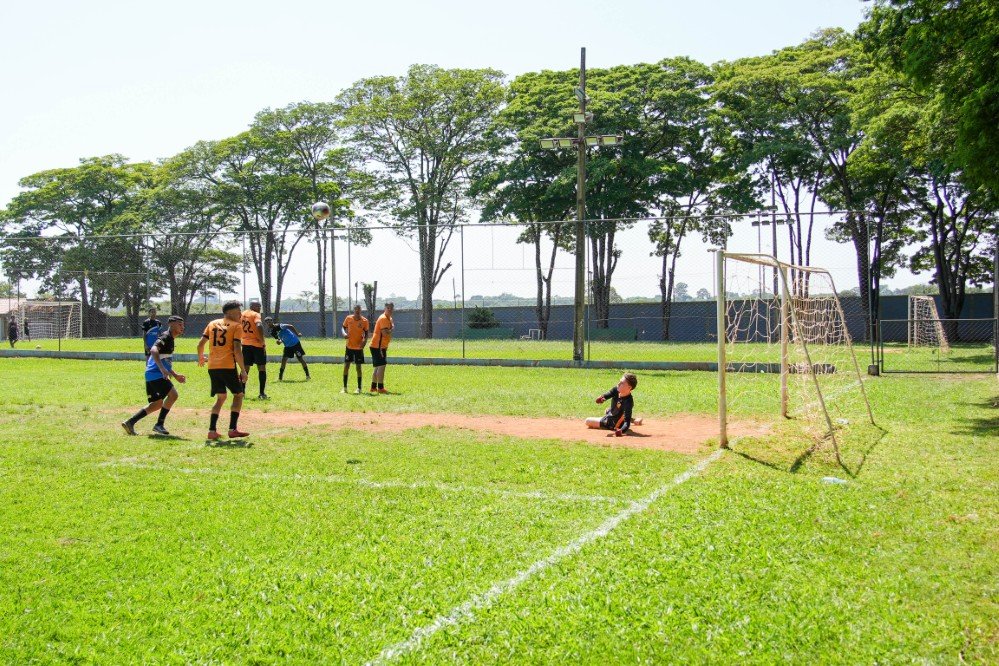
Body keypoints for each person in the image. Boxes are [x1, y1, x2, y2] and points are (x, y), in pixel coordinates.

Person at [121, 316, 186, 436]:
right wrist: (162, 369)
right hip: (156, 374)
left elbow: (165, 361)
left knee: (156, 404)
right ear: (171, 324)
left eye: (183, 325)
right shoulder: (166, 337)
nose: (182, 327)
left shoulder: (170, 339)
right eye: (179, 324)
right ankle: (159, 425)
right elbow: (153, 350)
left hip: (151, 374)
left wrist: (175, 374)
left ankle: (130, 422)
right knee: (173, 395)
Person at [197, 300, 249, 441]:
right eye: (238, 312)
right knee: (238, 395)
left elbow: (200, 344)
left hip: (213, 367)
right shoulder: (236, 326)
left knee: (221, 397)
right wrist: (243, 370)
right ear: (230, 313)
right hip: (227, 366)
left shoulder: (212, 323)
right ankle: (232, 429)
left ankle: (212, 431)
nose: (240, 315)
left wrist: (201, 357)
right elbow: (237, 350)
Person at [240, 300, 269, 399]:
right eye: (258, 306)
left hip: (245, 344)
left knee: (245, 369)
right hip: (257, 345)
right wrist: (262, 341)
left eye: (260, 306)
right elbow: (259, 325)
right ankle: (262, 393)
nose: (259, 308)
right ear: (252, 306)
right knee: (261, 368)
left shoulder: (243, 314)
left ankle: (242, 392)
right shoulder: (256, 314)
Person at [341, 304, 369, 394]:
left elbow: (366, 333)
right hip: (349, 346)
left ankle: (359, 388)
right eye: (356, 309)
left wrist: (364, 341)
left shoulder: (364, 321)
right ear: (354, 310)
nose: (357, 311)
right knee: (346, 366)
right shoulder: (348, 318)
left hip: (358, 348)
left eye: (359, 310)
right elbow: (343, 327)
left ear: (361, 311)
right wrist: (344, 334)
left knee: (358, 367)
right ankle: (344, 388)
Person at [369, 302, 394, 393]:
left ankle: (373, 387)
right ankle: (380, 388)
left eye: (391, 308)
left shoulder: (389, 318)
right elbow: (384, 333)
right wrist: (391, 330)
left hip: (379, 346)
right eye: (388, 308)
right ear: (385, 309)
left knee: (377, 367)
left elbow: (391, 327)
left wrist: (390, 329)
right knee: (382, 366)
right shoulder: (383, 318)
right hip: (378, 346)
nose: (390, 310)